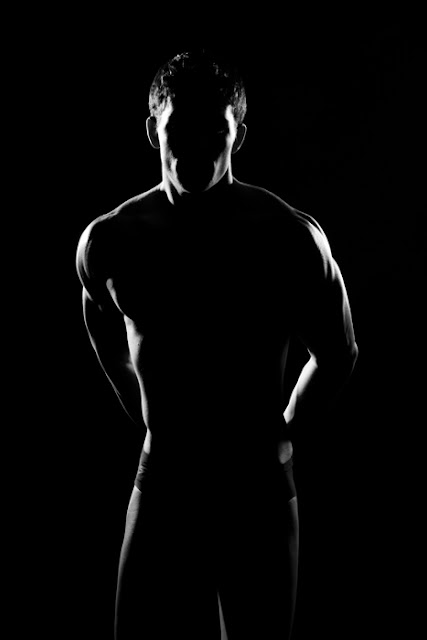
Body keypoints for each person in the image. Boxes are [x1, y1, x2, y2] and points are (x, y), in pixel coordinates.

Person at [76, 50, 358, 640]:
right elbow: (102, 322)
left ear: (239, 134)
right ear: (153, 129)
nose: (197, 147)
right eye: (181, 129)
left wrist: (283, 434)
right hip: (165, 477)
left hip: (255, 485)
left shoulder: (288, 238)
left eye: (215, 130)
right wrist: (142, 408)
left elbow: (339, 352)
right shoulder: (112, 241)